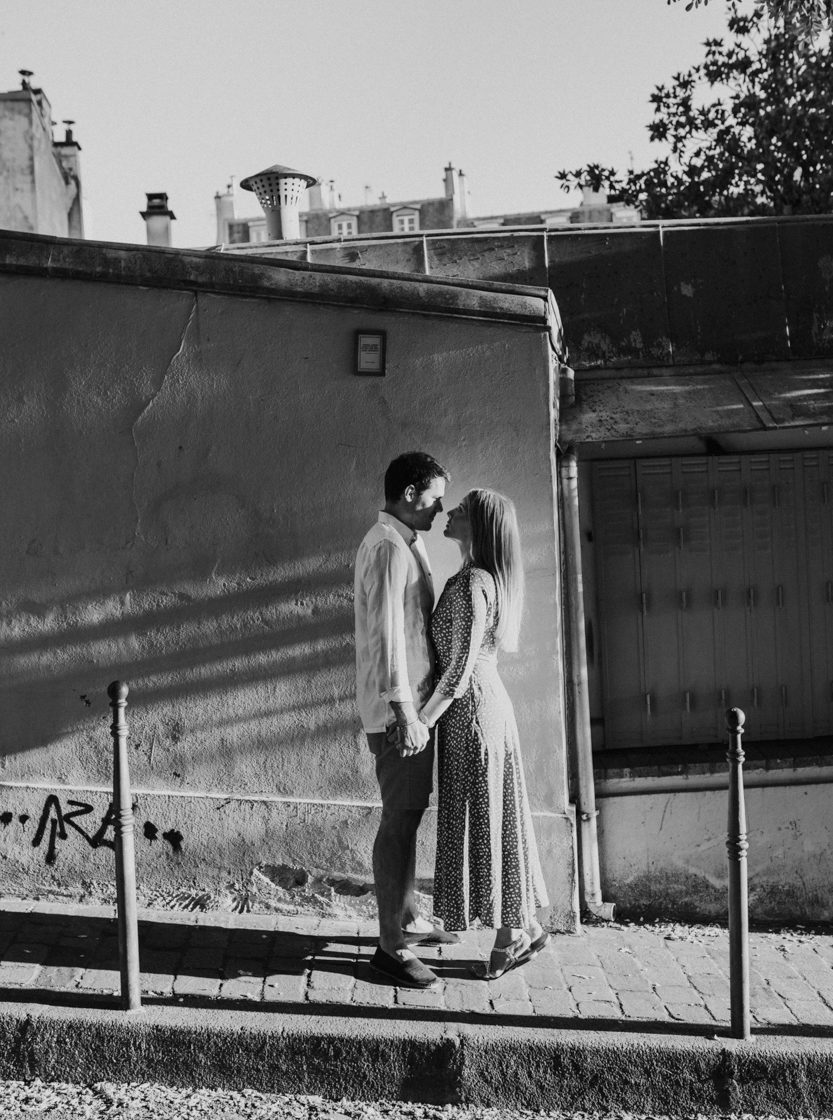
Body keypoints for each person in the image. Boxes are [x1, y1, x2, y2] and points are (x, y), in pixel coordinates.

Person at [418, 488, 550, 979]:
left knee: (489, 819)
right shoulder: (478, 578)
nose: (449, 513)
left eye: (461, 510)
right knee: (495, 817)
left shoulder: (475, 582)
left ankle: (512, 933)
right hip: (477, 712)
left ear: (478, 525)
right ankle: (523, 927)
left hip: (474, 714)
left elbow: (459, 668)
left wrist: (421, 720)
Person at [354, 451, 456, 990]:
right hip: (400, 714)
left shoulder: (402, 541)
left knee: (409, 814)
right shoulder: (390, 547)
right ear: (411, 494)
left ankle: (409, 915)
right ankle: (389, 948)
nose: (442, 509)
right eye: (436, 497)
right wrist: (405, 712)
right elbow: (388, 635)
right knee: (398, 820)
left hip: (410, 707)